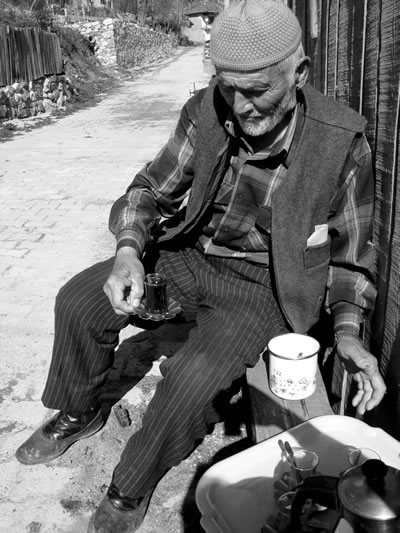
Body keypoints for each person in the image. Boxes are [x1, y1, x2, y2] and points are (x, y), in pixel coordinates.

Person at [16, 1, 387, 531]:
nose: (241, 105)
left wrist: (349, 335)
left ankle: (129, 488)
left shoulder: (341, 141)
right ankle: (81, 411)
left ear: (299, 74)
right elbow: (149, 191)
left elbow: (352, 258)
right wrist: (128, 250)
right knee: (79, 300)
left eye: (257, 90)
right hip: (187, 256)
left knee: (189, 383)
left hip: (263, 286)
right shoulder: (207, 110)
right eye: (228, 86)